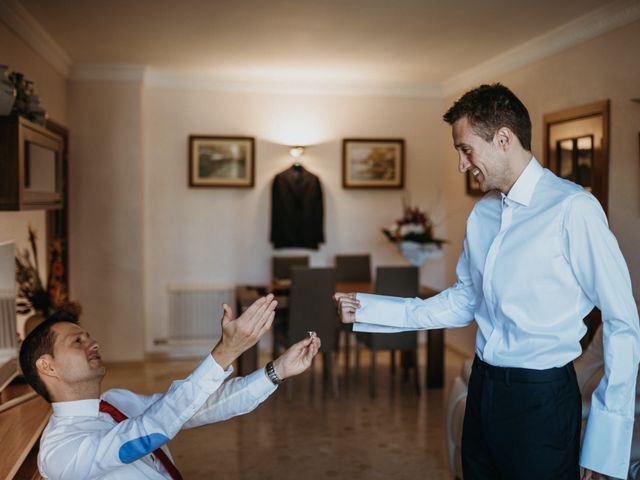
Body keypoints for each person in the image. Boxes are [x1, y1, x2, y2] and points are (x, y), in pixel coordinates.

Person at [335, 83, 640, 480]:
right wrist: (372, 308)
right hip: (483, 389)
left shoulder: (573, 209)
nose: (462, 164)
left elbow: (622, 322)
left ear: (503, 139)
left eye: (465, 149)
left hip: (542, 400)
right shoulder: (482, 215)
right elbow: (465, 300)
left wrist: (604, 444)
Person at [19, 294, 321, 479]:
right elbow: (147, 432)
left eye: (88, 336)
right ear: (47, 366)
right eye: (77, 341)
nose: (93, 342)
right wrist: (225, 352)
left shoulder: (116, 402)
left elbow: (196, 408)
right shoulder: (59, 452)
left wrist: (276, 371)